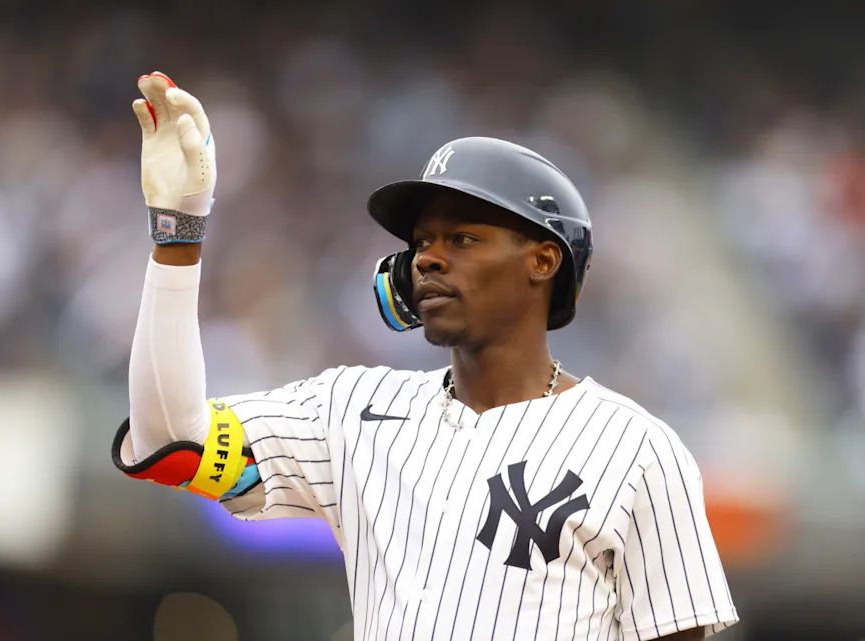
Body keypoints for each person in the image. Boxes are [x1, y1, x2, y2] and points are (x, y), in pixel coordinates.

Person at [113, 71, 739, 641]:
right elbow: (169, 439)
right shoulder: (352, 409)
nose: (428, 259)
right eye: (420, 242)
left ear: (543, 260)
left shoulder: (636, 449)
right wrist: (179, 233)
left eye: (462, 238)